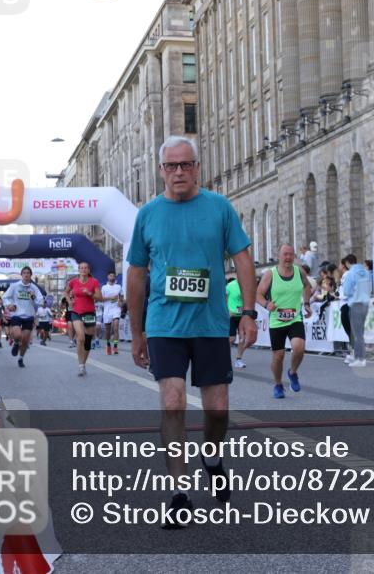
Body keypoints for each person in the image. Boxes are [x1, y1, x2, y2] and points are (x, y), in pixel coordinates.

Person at [127, 135, 256, 527]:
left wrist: (248, 313)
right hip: (164, 323)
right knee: (173, 401)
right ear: (161, 170)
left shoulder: (219, 208)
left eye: (186, 165)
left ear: (197, 167)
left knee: (217, 411)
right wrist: (136, 333)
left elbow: (244, 259)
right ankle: (179, 492)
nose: (179, 172)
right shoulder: (148, 214)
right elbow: (135, 274)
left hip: (212, 325)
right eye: (171, 166)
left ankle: (213, 459)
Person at [256, 244, 313, 399]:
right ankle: (278, 384)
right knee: (278, 356)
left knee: (299, 348)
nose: (288, 257)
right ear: (279, 256)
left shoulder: (299, 271)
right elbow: (258, 294)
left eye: (290, 254)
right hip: (277, 321)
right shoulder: (270, 274)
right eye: (285, 254)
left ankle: (293, 372)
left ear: (294, 256)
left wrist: (306, 303)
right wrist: (267, 304)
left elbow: (307, 286)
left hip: (295, 318)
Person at [65, 262, 102, 377]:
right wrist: (69, 301)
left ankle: (83, 364)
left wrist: (90, 293)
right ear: (79, 270)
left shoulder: (94, 282)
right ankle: (80, 365)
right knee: (81, 337)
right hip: (76, 312)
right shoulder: (74, 282)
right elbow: (66, 292)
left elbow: (100, 298)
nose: (83, 269)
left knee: (87, 342)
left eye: (86, 268)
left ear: (89, 270)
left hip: (90, 313)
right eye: (81, 268)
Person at [2, 267, 42, 368]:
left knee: (25, 341)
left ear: (30, 275)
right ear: (21, 275)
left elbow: (40, 302)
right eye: (24, 273)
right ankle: (16, 343)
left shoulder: (34, 288)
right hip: (16, 314)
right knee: (18, 336)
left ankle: (21, 358)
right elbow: (5, 297)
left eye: (28, 273)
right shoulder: (15, 286)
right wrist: (9, 304)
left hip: (29, 316)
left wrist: (33, 298)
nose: (26, 275)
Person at [341, 254, 372, 368]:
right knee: (360, 332)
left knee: (356, 333)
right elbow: (370, 288)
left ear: (348, 263)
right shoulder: (366, 272)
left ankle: (360, 358)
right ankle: (360, 357)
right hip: (365, 303)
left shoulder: (351, 273)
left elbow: (346, 291)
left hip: (355, 303)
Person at [226, 277, 252, 368]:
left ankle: (238, 360)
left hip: (243, 316)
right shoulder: (230, 285)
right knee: (231, 339)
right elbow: (223, 298)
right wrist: (227, 310)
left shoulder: (248, 285)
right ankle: (224, 359)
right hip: (232, 316)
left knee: (243, 339)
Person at [100, 271, 124, 355]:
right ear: (108, 277)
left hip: (116, 309)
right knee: (108, 331)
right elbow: (101, 299)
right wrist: (110, 297)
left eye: (114, 276)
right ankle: (108, 344)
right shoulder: (104, 287)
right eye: (111, 276)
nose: (112, 277)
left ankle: (116, 346)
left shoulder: (118, 287)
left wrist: (121, 302)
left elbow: (121, 297)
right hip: (107, 310)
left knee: (116, 326)